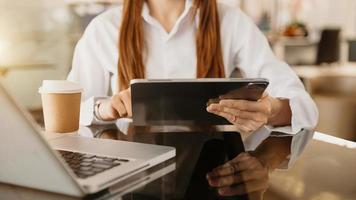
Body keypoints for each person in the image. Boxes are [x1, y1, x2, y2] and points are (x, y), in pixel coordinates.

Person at [67, 0, 318, 199]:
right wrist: (104, 108)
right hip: (131, 176)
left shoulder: (231, 22)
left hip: (214, 177)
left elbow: (302, 105)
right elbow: (68, 110)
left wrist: (271, 110)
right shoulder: (105, 27)